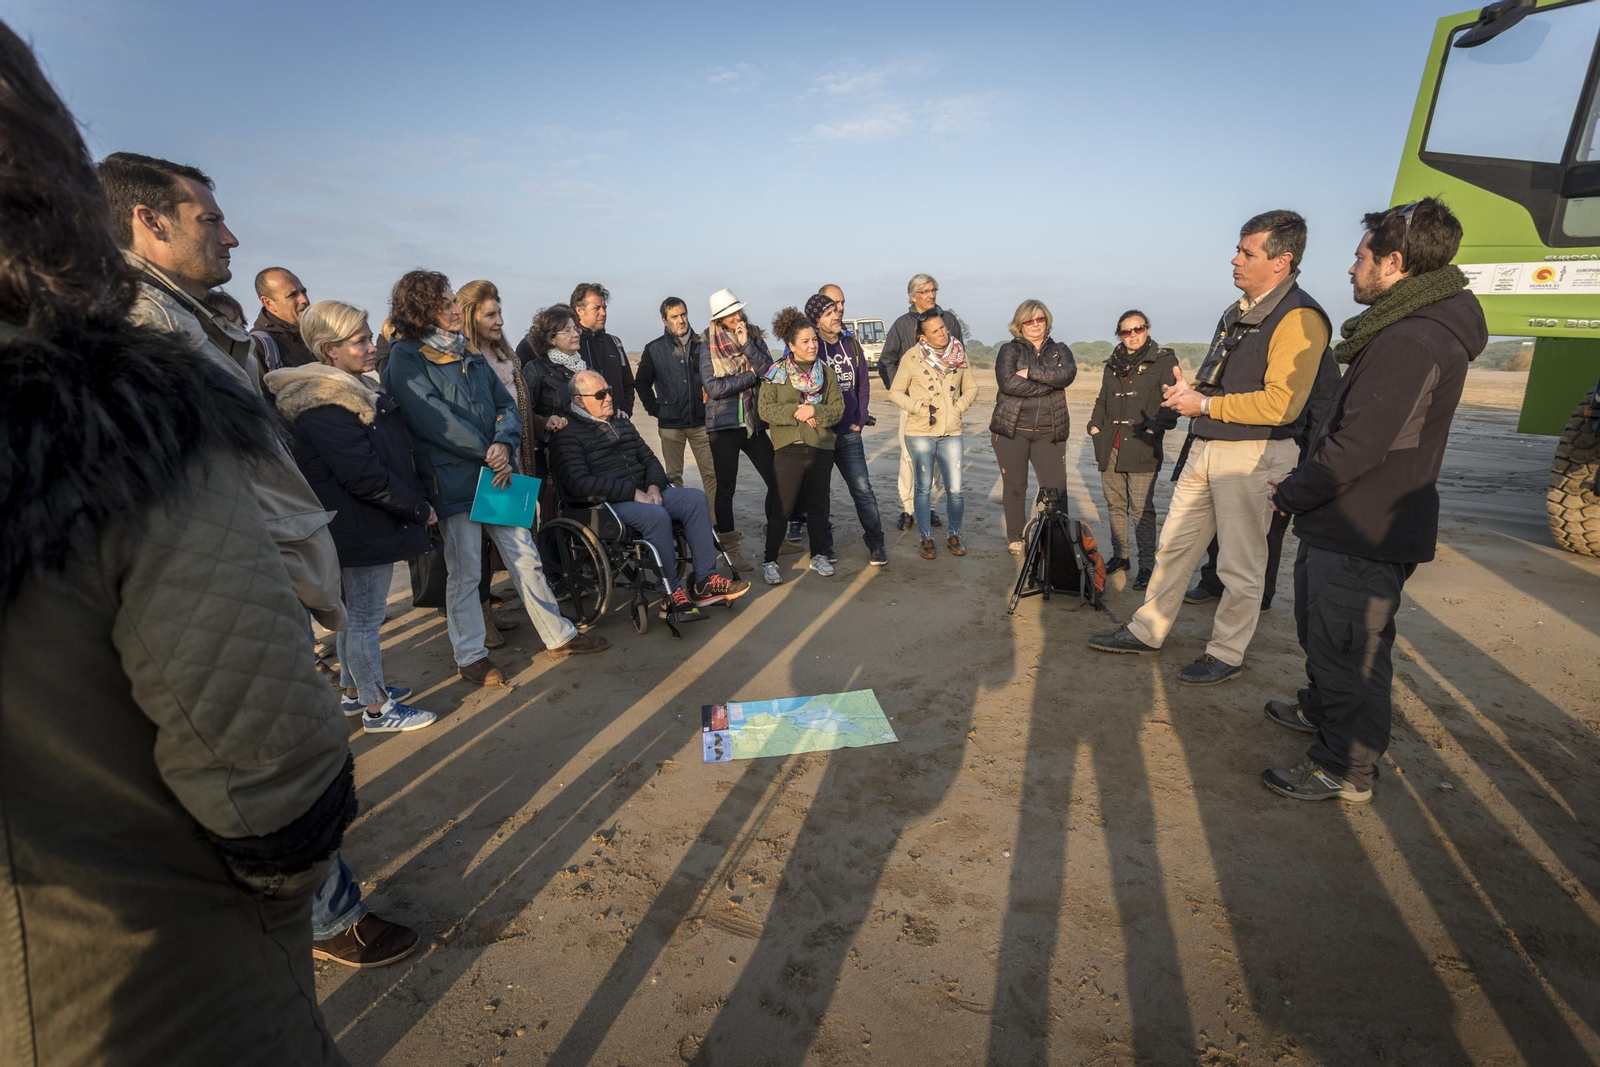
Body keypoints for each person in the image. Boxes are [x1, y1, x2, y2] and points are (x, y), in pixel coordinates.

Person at [1, 27, 352, 1061]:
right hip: (134, 981)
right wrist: (285, 880)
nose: (233, 237)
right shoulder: (113, 396)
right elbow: (268, 769)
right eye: (210, 216)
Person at [99, 152, 419, 972]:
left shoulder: (192, 320)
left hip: (256, 566)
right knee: (269, 753)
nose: (230, 234)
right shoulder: (142, 325)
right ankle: (327, 914)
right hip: (225, 582)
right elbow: (182, 492)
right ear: (148, 221)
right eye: (208, 217)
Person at [1262, 198, 1484, 804]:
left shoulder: (1411, 340)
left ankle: (1344, 767)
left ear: (1395, 263)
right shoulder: (1410, 327)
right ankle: (1324, 715)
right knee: (1331, 636)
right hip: (1352, 521)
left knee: (1349, 649)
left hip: (1364, 525)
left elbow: (1358, 445)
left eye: (1361, 257)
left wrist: (1293, 492)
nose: (1351, 268)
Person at [1090, 210, 1330, 686]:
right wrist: (1189, 393)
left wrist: (1204, 404)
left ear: (1281, 261)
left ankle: (1226, 652)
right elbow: (1220, 383)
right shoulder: (1237, 310)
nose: (1235, 260)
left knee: (1240, 563)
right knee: (1175, 549)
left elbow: (1283, 405)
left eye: (1247, 253)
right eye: (1238, 249)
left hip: (1254, 455)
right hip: (1208, 448)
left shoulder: (1300, 317)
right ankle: (1147, 629)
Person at [383, 270, 607, 684]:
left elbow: (506, 403)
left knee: (525, 554)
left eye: (454, 301)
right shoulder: (406, 356)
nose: (454, 309)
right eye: (446, 303)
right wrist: (487, 451)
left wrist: (503, 444)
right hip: (452, 481)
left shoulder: (467, 350)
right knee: (466, 569)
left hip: (499, 474)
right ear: (422, 309)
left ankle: (558, 635)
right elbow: (433, 420)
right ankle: (470, 656)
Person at [265, 300, 439, 735]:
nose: (371, 348)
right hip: (361, 527)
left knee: (351, 616)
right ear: (329, 350)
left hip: (364, 523)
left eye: (368, 337)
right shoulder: (326, 405)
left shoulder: (352, 391)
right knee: (363, 617)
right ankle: (378, 709)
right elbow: (365, 477)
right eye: (359, 341)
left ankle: (354, 691)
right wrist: (418, 508)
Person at [550, 370, 750, 618]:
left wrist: (654, 485)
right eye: (600, 395)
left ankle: (705, 581)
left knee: (695, 499)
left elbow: (649, 459)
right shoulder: (567, 433)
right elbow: (578, 483)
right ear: (579, 400)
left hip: (645, 493)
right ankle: (671, 593)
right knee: (655, 516)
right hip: (607, 504)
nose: (609, 398)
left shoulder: (621, 422)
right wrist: (633, 493)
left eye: (609, 391)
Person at [459, 279, 539, 647]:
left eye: (500, 312)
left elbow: (517, 409)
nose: (499, 321)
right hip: (486, 466)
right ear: (469, 316)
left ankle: (492, 610)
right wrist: (497, 451)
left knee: (511, 544)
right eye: (490, 314)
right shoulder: (462, 359)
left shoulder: (507, 357)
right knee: (477, 551)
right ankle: (481, 618)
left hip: (516, 458)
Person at [1086, 309, 1180, 588]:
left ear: (1147, 329)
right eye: (1126, 331)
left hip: (1142, 445)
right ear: (1119, 335)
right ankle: (1121, 556)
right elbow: (1103, 399)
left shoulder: (1164, 360)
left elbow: (1173, 400)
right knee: (1115, 505)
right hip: (1110, 444)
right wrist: (1095, 426)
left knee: (1141, 509)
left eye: (1138, 329)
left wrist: (1154, 428)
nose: (1133, 335)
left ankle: (1147, 566)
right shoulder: (1111, 363)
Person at [758, 307, 846, 583]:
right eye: (805, 341)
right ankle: (770, 559)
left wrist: (816, 412)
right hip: (789, 449)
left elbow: (838, 409)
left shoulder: (827, 374)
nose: (812, 346)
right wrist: (798, 410)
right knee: (782, 509)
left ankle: (818, 555)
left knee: (818, 507)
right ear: (791, 345)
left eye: (814, 340)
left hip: (821, 447)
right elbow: (765, 410)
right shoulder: (775, 374)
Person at [700, 287, 783, 574]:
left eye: (737, 311)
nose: (736, 317)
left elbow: (770, 370)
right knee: (726, 489)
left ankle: (776, 535)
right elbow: (713, 388)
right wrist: (749, 377)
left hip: (753, 422)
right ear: (719, 320)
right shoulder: (706, 344)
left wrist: (747, 345)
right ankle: (732, 551)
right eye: (729, 314)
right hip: (722, 426)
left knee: (776, 478)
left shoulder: (753, 335)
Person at [888, 308, 979, 559]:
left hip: (951, 430)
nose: (943, 332)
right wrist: (916, 407)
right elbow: (895, 392)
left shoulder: (959, 354)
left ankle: (955, 534)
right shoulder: (911, 357)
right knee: (923, 488)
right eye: (936, 330)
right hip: (919, 431)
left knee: (956, 489)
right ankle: (926, 537)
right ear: (923, 337)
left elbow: (971, 387)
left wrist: (958, 407)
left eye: (943, 327)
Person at [990, 299, 1078, 555]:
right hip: (1012, 430)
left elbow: (1068, 375)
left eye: (1040, 319)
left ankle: (1057, 538)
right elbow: (1008, 384)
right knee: (1015, 486)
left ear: (1046, 321)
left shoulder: (1060, 349)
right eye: (1029, 320)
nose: (1035, 324)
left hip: (1049, 432)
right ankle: (1015, 536)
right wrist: (1050, 384)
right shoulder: (1009, 350)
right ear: (1020, 324)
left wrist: (1030, 373)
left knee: (1056, 490)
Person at [808, 288, 887, 567]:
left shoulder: (851, 344)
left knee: (862, 489)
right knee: (821, 494)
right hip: (821, 435)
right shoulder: (811, 347)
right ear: (817, 320)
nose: (836, 316)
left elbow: (863, 383)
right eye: (829, 313)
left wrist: (860, 418)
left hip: (850, 431)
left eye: (836, 310)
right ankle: (824, 547)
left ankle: (876, 543)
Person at [879, 273, 961, 532]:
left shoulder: (949, 320)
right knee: (909, 458)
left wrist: (956, 398)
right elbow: (886, 361)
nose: (931, 295)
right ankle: (908, 508)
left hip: (945, 406)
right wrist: (902, 396)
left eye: (934, 290)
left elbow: (960, 357)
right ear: (912, 296)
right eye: (925, 291)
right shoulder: (902, 324)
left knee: (937, 459)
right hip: (914, 407)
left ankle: (931, 507)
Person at [637, 296, 717, 515]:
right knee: (673, 476)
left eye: (683, 314)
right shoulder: (654, 349)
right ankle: (681, 519)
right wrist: (654, 408)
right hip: (670, 424)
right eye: (674, 317)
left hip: (702, 421)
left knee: (711, 473)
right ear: (665, 320)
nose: (681, 320)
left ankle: (713, 520)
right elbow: (641, 382)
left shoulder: (704, 344)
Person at [571, 281, 635, 417]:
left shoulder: (614, 343)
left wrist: (626, 411)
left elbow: (628, 384)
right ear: (579, 311)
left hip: (618, 423)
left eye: (604, 308)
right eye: (597, 308)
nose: (603, 313)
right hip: (583, 427)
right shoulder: (570, 346)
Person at [252, 266, 315, 372]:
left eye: (304, 292)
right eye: (292, 295)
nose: (304, 299)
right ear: (268, 303)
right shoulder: (258, 346)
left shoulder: (321, 336)